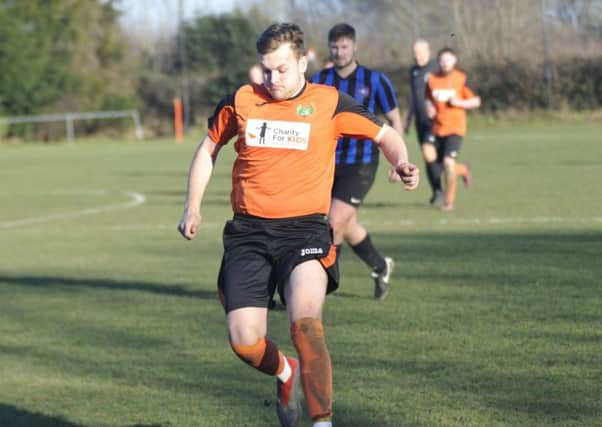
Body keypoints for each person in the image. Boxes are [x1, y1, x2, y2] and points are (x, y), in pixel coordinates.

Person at [177, 23, 419, 427]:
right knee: (244, 341)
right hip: (249, 234)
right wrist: (193, 207)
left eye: (282, 70)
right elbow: (208, 149)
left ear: (303, 62)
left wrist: (402, 162)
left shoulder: (329, 102)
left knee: (306, 325)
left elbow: (384, 134)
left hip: (305, 230)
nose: (272, 79)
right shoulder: (240, 100)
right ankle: (284, 372)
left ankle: (322, 422)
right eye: (266, 70)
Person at [310, 23, 404, 300]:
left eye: (344, 46)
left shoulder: (374, 80)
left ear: (355, 46)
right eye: (334, 47)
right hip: (325, 164)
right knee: (347, 226)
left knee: (334, 221)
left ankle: (322, 286)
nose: (339, 52)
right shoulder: (319, 79)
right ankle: (380, 266)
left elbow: (394, 119)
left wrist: (398, 159)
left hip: (361, 162)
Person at [426, 47, 481, 211]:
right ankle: (464, 170)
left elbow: (476, 101)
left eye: (448, 59)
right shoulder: (432, 79)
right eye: (442, 59)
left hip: (455, 128)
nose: (445, 62)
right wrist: (429, 107)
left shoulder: (461, 78)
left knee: (448, 163)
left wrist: (460, 103)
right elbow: (428, 99)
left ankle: (448, 202)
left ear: (454, 60)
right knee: (435, 162)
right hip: (437, 128)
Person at [404, 39, 443, 206]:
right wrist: (408, 119)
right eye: (414, 53)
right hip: (420, 122)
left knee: (435, 157)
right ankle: (437, 191)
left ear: (429, 51)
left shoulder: (437, 68)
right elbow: (413, 97)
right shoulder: (413, 71)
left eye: (420, 53)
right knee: (429, 158)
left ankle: (440, 190)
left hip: (437, 121)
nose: (417, 56)